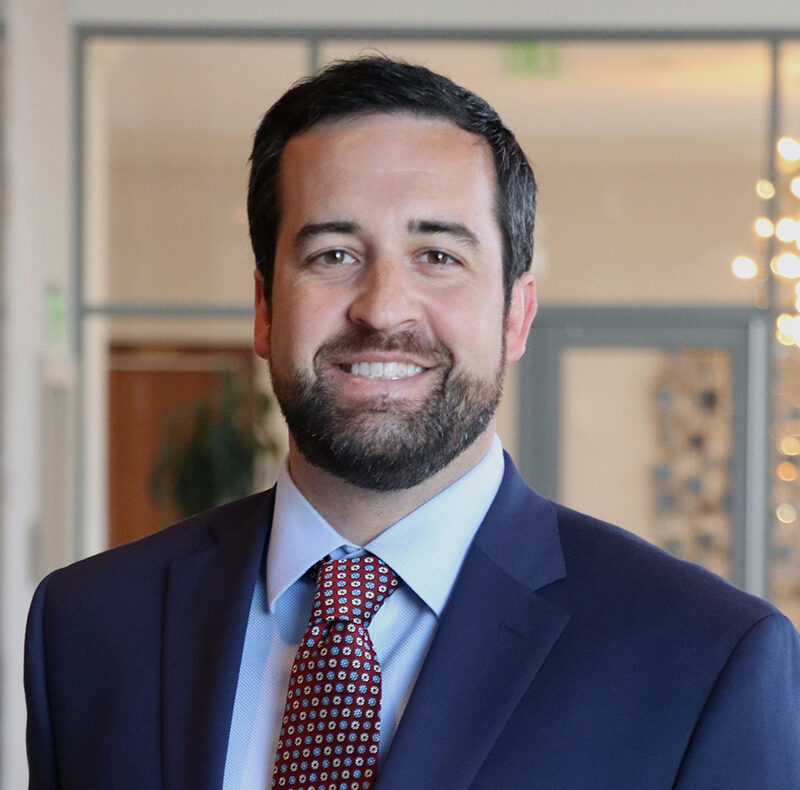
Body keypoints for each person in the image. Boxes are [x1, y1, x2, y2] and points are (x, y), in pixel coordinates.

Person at [25, 57, 800, 790]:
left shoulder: (704, 659)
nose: (383, 307)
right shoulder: (89, 627)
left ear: (515, 316)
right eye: (332, 254)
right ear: (265, 308)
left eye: (437, 255)